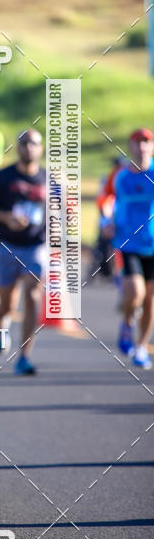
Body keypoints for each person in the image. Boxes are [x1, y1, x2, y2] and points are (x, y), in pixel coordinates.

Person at [0, 128, 46, 376]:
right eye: (25, 143)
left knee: (33, 297)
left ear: (41, 148)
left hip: (36, 247)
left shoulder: (48, 179)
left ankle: (24, 357)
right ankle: (1, 323)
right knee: (6, 304)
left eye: (34, 143)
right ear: (18, 147)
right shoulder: (3, 176)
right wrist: (6, 216)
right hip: (7, 246)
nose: (29, 147)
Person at [111, 128, 154, 369]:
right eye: (137, 142)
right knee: (136, 293)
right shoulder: (122, 177)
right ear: (131, 146)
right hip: (129, 243)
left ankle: (141, 348)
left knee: (149, 301)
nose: (142, 147)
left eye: (146, 142)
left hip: (153, 244)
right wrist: (108, 224)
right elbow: (108, 203)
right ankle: (127, 325)